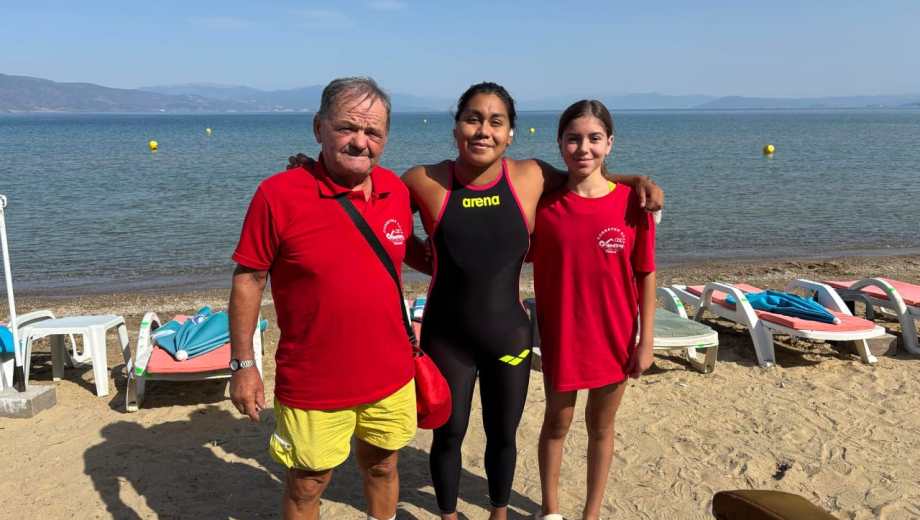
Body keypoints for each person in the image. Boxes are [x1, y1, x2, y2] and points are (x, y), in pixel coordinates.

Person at [399, 83, 663, 520]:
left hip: (508, 332)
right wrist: (424, 258)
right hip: (447, 333)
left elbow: (590, 178)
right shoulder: (424, 180)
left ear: (510, 134)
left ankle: (499, 514)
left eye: (496, 122)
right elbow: (378, 209)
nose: (483, 131)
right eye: (473, 119)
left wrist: (636, 180)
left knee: (504, 434)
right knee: (449, 433)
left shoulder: (532, 177)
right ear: (456, 127)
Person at [229, 77, 417, 520]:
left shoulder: (397, 192)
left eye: (373, 133)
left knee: (384, 466)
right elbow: (249, 281)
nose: (360, 142)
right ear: (319, 128)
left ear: (385, 138)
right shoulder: (278, 195)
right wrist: (243, 364)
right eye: (347, 128)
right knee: (307, 483)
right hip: (313, 380)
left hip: (390, 372)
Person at [529, 100, 656, 520]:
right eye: (573, 138)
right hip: (563, 336)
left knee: (601, 428)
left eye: (594, 139)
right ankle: (551, 510)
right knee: (557, 425)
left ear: (610, 143)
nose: (584, 148)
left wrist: (646, 341)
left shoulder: (632, 204)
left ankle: (592, 513)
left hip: (616, 336)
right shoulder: (543, 208)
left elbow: (645, 275)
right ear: (560, 143)